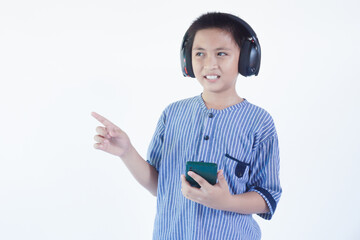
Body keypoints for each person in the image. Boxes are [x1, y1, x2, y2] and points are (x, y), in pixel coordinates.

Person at [92, 12, 281, 240]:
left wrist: (226, 201)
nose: (209, 64)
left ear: (245, 59)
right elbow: (159, 186)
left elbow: (267, 197)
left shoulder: (259, 122)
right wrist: (127, 152)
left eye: (221, 53)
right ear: (187, 60)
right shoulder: (172, 114)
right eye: (199, 53)